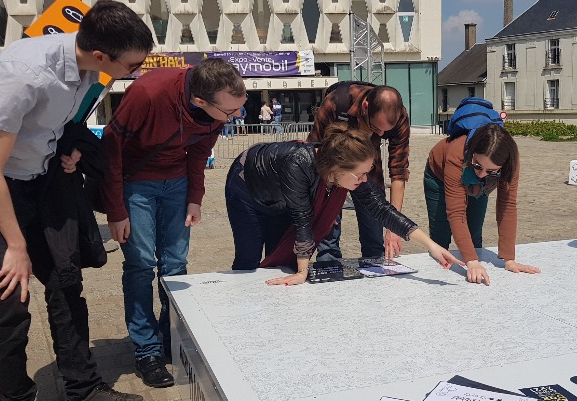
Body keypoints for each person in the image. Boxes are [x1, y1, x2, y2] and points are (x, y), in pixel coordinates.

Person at [0, 2, 153, 400]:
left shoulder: (89, 70)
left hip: (38, 173)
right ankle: (15, 394)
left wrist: (70, 151)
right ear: (101, 55)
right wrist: (16, 246)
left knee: (65, 280)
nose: (136, 72)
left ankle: (84, 387)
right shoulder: (23, 73)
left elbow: (59, 125)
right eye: (132, 65)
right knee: (10, 295)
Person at [100, 57, 246, 388]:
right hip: (136, 185)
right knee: (140, 265)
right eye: (229, 112)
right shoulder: (149, 92)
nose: (236, 116)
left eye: (240, 106)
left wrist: (195, 196)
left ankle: (171, 338)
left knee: (175, 264)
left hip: (177, 185)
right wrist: (116, 210)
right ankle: (147, 350)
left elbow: (200, 153)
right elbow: (111, 148)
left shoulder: (219, 104)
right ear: (200, 100)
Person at [226, 123, 463, 284]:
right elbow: (302, 219)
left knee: (279, 261)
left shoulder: (342, 170)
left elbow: (381, 208)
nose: (364, 180)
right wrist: (302, 273)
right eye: (360, 175)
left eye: (366, 173)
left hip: (282, 199)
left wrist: (431, 245)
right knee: (249, 258)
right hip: (247, 190)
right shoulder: (298, 163)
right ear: (338, 169)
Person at [425, 122, 540, 285]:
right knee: (440, 236)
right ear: (472, 151)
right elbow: (456, 212)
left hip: (480, 184)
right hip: (439, 176)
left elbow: (507, 206)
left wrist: (509, 259)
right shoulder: (456, 153)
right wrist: (471, 262)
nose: (481, 174)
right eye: (478, 166)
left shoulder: (510, 162)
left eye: (491, 171)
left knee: (474, 232)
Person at [307, 83, 410, 263]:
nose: (380, 134)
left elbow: (398, 172)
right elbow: (314, 153)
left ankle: (374, 268)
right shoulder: (335, 103)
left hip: (369, 169)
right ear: (365, 106)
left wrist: (393, 227)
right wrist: (321, 204)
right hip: (332, 174)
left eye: (385, 132)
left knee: (374, 239)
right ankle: (329, 268)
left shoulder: (399, 116)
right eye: (375, 127)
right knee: (328, 235)